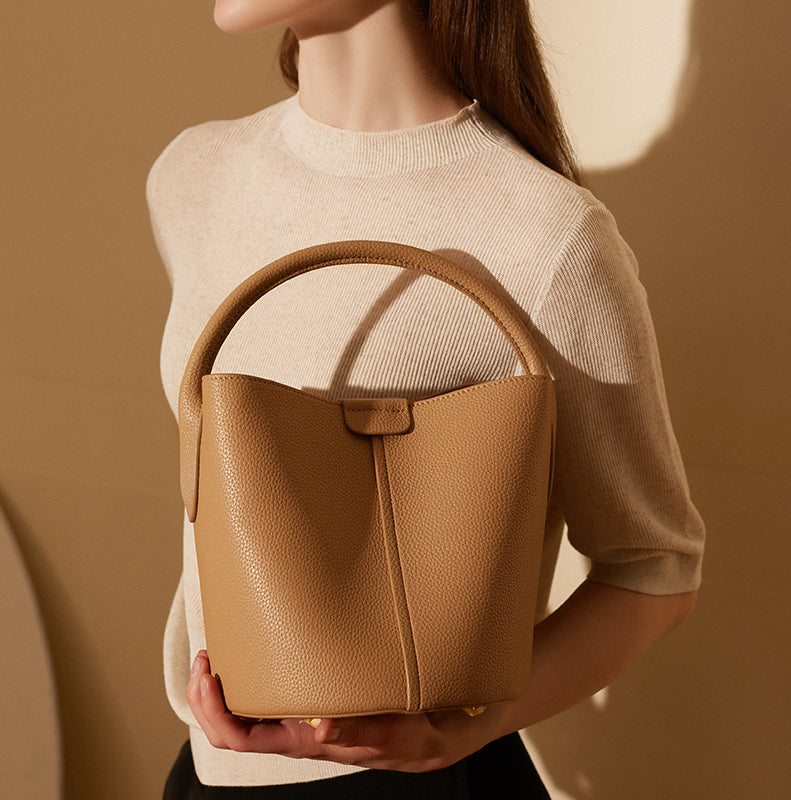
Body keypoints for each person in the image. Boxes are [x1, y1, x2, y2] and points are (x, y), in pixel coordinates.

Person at [147, 1, 705, 797]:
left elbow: (655, 566)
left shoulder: (545, 235)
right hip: (203, 775)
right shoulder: (193, 175)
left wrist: (463, 729)